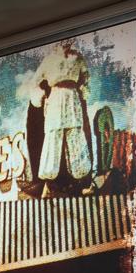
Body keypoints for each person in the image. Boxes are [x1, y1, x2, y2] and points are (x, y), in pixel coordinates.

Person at [31, 40, 93, 196]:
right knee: (53, 138)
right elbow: (35, 81)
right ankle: (48, 185)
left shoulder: (78, 58)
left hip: (72, 98)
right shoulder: (49, 59)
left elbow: (86, 77)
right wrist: (40, 97)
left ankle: (83, 182)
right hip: (56, 99)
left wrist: (83, 88)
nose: (65, 43)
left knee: (76, 137)